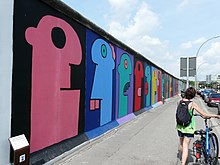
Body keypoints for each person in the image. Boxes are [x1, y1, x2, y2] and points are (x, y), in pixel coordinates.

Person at [176, 87, 220, 165]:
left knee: (181, 144)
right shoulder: (192, 104)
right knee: (186, 146)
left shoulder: (179, 101)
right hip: (188, 128)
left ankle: (182, 156)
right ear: (193, 95)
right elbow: (204, 114)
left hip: (180, 126)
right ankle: (183, 163)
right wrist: (215, 116)